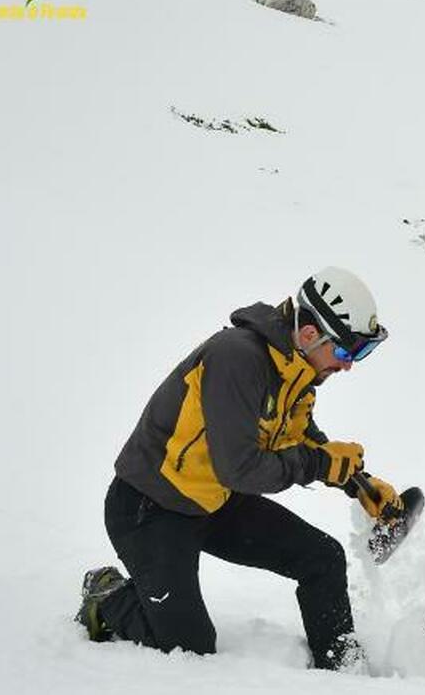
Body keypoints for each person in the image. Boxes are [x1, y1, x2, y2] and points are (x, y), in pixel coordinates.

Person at [75, 266, 404, 670]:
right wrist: (320, 463)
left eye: (360, 353)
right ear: (308, 334)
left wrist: (358, 483)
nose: (349, 365)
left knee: (323, 558)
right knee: (189, 648)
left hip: (212, 499)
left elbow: (300, 437)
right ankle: (107, 597)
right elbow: (241, 469)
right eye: (345, 352)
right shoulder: (236, 358)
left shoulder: (297, 374)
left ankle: (343, 670)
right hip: (150, 507)